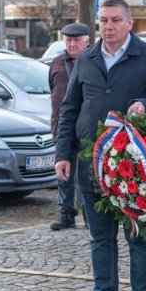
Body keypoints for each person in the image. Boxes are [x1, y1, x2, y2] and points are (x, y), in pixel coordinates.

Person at [54, 0, 146, 291]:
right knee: (100, 240)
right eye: (103, 20)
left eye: (115, 20)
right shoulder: (87, 58)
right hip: (91, 164)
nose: (108, 26)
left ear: (129, 23)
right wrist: (62, 153)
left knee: (140, 239)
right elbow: (70, 108)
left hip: (134, 169)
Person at [48, 23, 90, 231]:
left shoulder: (93, 61)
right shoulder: (56, 63)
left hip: (86, 128)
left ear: (87, 41)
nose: (72, 44)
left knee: (87, 173)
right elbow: (52, 91)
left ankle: (90, 214)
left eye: (77, 40)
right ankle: (66, 212)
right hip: (62, 126)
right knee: (63, 172)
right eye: (68, 40)